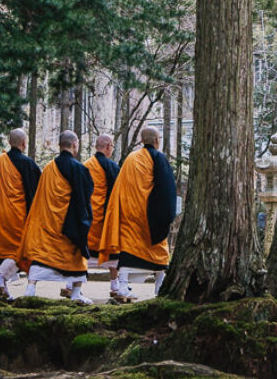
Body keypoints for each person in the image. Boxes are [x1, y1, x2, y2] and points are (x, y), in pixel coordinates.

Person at [98, 126, 176, 300]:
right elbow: (166, 189)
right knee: (160, 254)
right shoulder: (159, 158)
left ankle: (123, 286)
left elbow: (119, 189)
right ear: (157, 141)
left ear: (142, 140)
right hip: (151, 218)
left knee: (129, 253)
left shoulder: (131, 159)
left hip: (130, 217)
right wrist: (166, 216)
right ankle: (159, 287)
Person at [19, 130, 94, 303]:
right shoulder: (79, 168)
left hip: (49, 224)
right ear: (75, 145)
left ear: (60, 146)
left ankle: (30, 288)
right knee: (76, 257)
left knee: (42, 257)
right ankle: (75, 293)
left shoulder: (48, 168)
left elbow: (41, 198)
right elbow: (84, 197)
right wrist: (84, 221)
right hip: (70, 224)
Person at [63, 134, 121, 299]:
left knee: (83, 252)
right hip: (106, 220)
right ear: (108, 146)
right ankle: (115, 286)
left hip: (88, 218)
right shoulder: (112, 167)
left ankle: (71, 284)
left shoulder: (86, 165)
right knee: (113, 251)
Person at [0, 128, 41, 299]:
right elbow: (36, 192)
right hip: (17, 216)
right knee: (21, 251)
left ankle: (3, 290)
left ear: (9, 142)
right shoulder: (27, 164)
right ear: (24, 143)